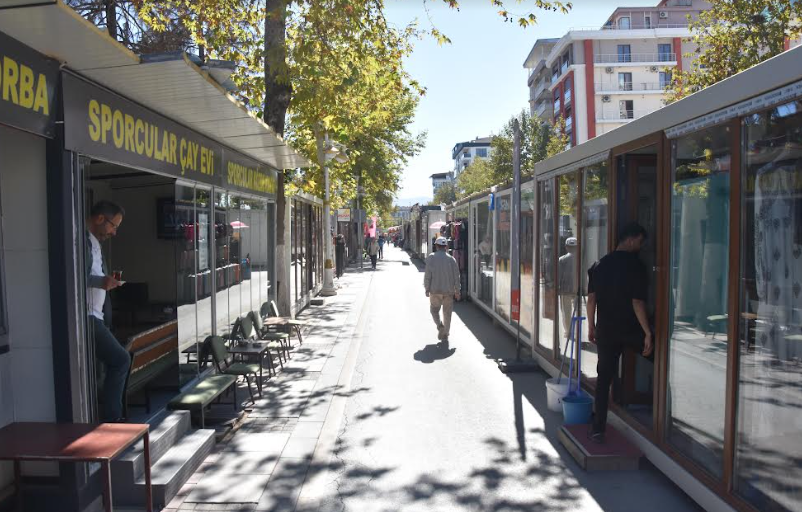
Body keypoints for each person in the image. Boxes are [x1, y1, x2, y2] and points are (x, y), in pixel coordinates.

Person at [587, 222, 653, 443]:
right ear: (631, 239)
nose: (641, 246)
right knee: (659, 360)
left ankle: (598, 429)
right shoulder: (636, 265)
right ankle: (662, 413)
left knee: (604, 377)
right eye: (640, 242)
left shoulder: (599, 265)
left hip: (606, 328)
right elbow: (637, 302)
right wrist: (647, 332)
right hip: (631, 329)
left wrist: (591, 326)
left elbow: (592, 299)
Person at [86, 200, 130, 421]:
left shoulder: (95, 243)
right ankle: (113, 421)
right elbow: (77, 276)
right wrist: (103, 281)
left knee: (103, 368)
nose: (114, 232)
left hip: (98, 317)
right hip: (87, 318)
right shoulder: (82, 241)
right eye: (114, 225)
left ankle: (109, 418)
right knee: (121, 360)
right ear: (100, 218)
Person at [424, 237, 461, 343]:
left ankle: (440, 326)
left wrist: (427, 288)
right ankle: (445, 333)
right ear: (446, 247)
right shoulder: (451, 259)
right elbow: (456, 276)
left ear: (436, 246)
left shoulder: (431, 257)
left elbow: (428, 275)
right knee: (447, 313)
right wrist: (457, 291)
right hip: (448, 291)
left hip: (434, 290)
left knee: (434, 310)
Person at [558, 237, 579, 338]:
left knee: (566, 312)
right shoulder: (581, 259)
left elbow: (559, 275)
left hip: (565, 289)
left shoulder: (562, 259)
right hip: (577, 289)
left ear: (566, 247)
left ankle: (568, 332)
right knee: (577, 310)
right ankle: (578, 330)